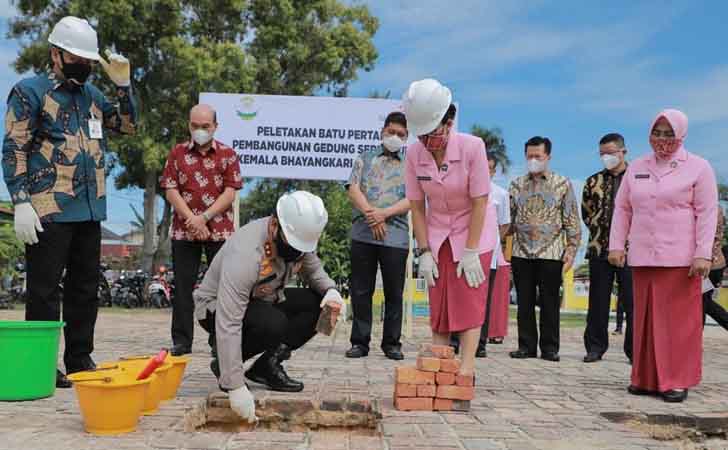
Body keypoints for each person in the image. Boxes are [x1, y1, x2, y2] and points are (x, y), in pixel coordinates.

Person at [2, 16, 137, 388]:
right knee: (45, 290)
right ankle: (42, 363)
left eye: (88, 60)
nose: (84, 65)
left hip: (90, 209)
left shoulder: (92, 97)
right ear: (56, 55)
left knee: (84, 289)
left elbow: (127, 125)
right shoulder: (29, 92)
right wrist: (22, 201)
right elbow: (14, 147)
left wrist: (124, 86)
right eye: (76, 57)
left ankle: (79, 357)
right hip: (48, 208)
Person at [193, 191, 345, 421]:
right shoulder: (246, 254)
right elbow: (229, 319)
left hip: (265, 301)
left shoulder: (298, 237)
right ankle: (226, 361)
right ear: (274, 225)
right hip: (216, 310)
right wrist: (234, 386)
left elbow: (314, 270)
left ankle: (266, 367)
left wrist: (331, 291)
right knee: (274, 323)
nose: (296, 252)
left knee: (315, 304)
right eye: (292, 245)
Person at [609, 108, 718, 403]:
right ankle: (644, 378)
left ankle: (676, 380)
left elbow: (707, 213)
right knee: (644, 320)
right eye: (657, 133)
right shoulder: (637, 167)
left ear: (681, 134)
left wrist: (703, 254)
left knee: (678, 324)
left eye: (669, 133)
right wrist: (616, 245)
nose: (662, 139)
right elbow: (623, 209)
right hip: (644, 255)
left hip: (681, 259)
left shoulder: (698, 167)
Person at [403, 78, 497, 377]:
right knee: (440, 299)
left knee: (469, 295)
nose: (428, 143)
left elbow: (480, 201)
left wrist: (470, 251)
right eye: (422, 136)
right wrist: (424, 251)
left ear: (450, 120)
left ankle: (467, 367)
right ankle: (440, 366)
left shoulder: (472, 147)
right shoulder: (414, 154)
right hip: (437, 232)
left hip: (474, 231)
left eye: (434, 134)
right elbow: (417, 206)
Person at [160, 104, 242, 356]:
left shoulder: (228, 155)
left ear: (215, 126)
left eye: (205, 126)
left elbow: (230, 192)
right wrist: (192, 220)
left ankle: (219, 340)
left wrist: (204, 217)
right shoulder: (177, 153)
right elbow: (170, 188)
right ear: (189, 125)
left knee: (222, 289)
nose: (200, 131)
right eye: (195, 126)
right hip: (184, 231)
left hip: (219, 231)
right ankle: (182, 341)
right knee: (183, 288)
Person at [508, 136, 581, 362]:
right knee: (524, 302)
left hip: (552, 253)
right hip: (521, 252)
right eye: (529, 156)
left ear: (548, 156)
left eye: (537, 156)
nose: (533, 160)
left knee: (549, 302)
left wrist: (571, 250)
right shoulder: (516, 184)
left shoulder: (562, 184)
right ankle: (526, 346)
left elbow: (571, 220)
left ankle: (549, 348)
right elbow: (508, 221)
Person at [345, 111, 410, 360]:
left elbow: (414, 199)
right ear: (382, 131)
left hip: (396, 238)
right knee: (361, 290)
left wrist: (384, 214)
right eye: (391, 132)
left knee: (395, 292)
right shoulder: (365, 157)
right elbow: (352, 189)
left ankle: (392, 343)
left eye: (400, 134)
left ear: (407, 137)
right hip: (363, 234)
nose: (394, 137)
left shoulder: (411, 164)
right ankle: (359, 342)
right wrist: (372, 214)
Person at [451, 153, 511, 357]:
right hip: (462, 251)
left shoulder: (500, 194)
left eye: (490, 168)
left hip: (488, 254)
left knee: (482, 299)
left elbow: (504, 224)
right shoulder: (463, 189)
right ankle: (454, 340)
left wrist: (490, 241)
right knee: (458, 296)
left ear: (493, 171)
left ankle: (480, 343)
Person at [581, 133, 633, 363]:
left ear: (623, 152)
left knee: (632, 302)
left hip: (632, 252)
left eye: (611, 153)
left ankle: (634, 350)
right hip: (599, 248)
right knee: (598, 302)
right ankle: (595, 347)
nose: (607, 157)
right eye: (603, 154)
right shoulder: (593, 181)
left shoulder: (638, 178)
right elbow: (586, 213)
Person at [703, 207, 727, 329]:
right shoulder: (717, 209)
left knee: (704, 303)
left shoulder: (711, 210)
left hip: (710, 263)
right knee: (703, 303)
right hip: (710, 263)